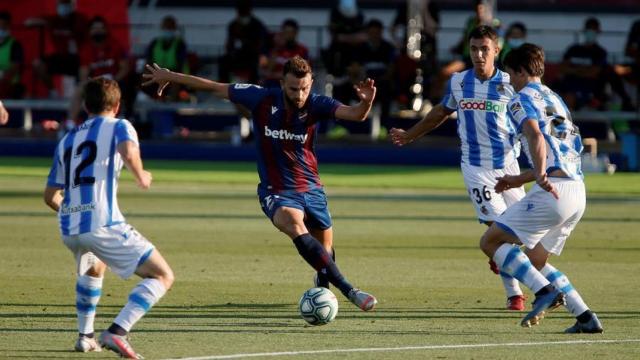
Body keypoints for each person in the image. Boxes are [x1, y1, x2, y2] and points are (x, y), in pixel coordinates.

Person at [142, 55, 378, 311]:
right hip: (276, 191)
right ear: (281, 84)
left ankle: (323, 285)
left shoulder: (317, 103)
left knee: (325, 251)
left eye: (305, 88)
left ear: (311, 83)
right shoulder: (261, 98)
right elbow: (213, 86)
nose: (300, 95)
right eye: (293, 89)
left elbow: (355, 115)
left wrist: (366, 102)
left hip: (312, 188)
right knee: (293, 223)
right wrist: (170, 76)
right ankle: (350, 290)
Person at [390, 25, 527, 311]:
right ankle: (516, 294)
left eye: (484, 49)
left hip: (509, 169)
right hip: (476, 169)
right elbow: (440, 113)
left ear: (496, 50)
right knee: (498, 231)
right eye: (474, 48)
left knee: (522, 235)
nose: (478, 54)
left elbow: (528, 124)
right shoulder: (458, 82)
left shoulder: (511, 84)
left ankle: (500, 258)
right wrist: (410, 134)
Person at [43, 77, 175, 359]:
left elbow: (50, 195)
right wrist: (141, 175)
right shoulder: (120, 125)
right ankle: (118, 332)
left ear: (85, 107)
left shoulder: (67, 139)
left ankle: (85, 337)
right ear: (116, 106)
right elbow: (128, 150)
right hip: (103, 223)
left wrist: (72, 211)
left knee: (95, 266)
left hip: (69, 229)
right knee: (162, 275)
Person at [480, 43, 603, 333]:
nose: (508, 80)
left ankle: (544, 293)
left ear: (521, 72)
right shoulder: (556, 98)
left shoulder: (519, 100)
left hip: (553, 191)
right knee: (534, 260)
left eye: (510, 74)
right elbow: (556, 148)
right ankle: (585, 316)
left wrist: (539, 173)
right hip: (576, 192)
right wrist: (519, 179)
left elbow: (535, 135)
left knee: (490, 242)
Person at [557, 17, 634, 110]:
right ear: (584, 30)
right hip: (569, 87)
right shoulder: (573, 50)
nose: (591, 32)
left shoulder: (600, 52)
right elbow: (562, 68)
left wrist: (573, 70)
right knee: (564, 94)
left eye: (593, 30)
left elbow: (594, 72)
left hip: (589, 89)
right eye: (589, 29)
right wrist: (583, 70)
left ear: (598, 32)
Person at [68, 16, 130, 123]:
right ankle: (70, 123)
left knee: (121, 90)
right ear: (90, 31)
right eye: (94, 28)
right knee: (79, 89)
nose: (97, 31)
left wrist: (113, 81)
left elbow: (125, 68)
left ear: (105, 30)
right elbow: (84, 72)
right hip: (96, 83)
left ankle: (119, 121)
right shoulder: (86, 49)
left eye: (100, 28)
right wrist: (89, 82)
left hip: (114, 82)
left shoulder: (115, 46)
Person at [27, 0, 89, 97]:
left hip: (77, 59)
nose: (63, 7)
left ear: (72, 5)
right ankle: (53, 92)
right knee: (38, 64)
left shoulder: (80, 20)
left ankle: (82, 96)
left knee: (85, 68)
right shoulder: (53, 20)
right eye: (61, 4)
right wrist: (42, 22)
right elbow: (29, 22)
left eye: (66, 4)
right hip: (60, 57)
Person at [218, 0, 270, 84]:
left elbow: (263, 44)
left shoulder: (257, 25)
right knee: (223, 61)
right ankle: (224, 87)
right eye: (240, 10)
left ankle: (253, 87)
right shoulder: (233, 25)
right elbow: (229, 44)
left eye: (245, 9)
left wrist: (263, 54)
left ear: (249, 10)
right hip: (238, 55)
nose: (242, 12)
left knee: (256, 64)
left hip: (253, 55)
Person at [262, 19, 309, 88]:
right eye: (286, 32)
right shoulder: (274, 49)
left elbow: (301, 73)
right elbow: (267, 71)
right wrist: (276, 48)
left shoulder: (302, 50)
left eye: (291, 33)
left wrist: (275, 75)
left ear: (295, 33)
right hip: (274, 85)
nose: (288, 35)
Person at [0, 11, 25, 99]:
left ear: (9, 26)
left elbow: (14, 69)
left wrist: (3, 79)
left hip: (11, 87)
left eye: (4, 25)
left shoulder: (15, 45)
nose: (1, 28)